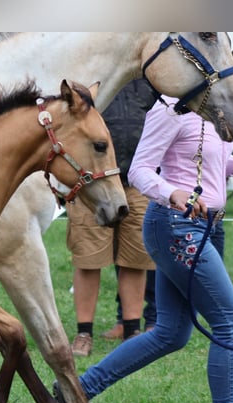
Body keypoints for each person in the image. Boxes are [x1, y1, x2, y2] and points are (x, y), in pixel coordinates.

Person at [55, 92, 233, 403]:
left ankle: (75, 393)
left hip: (207, 226)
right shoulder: (170, 107)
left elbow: (202, 159)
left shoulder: (214, 107)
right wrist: (172, 193)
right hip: (177, 224)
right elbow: (139, 169)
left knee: (171, 333)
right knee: (230, 321)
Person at [66, 78, 157, 356]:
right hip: (93, 186)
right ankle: (84, 333)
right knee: (88, 260)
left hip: (137, 183)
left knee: (135, 259)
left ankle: (132, 331)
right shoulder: (89, 80)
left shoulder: (148, 81)